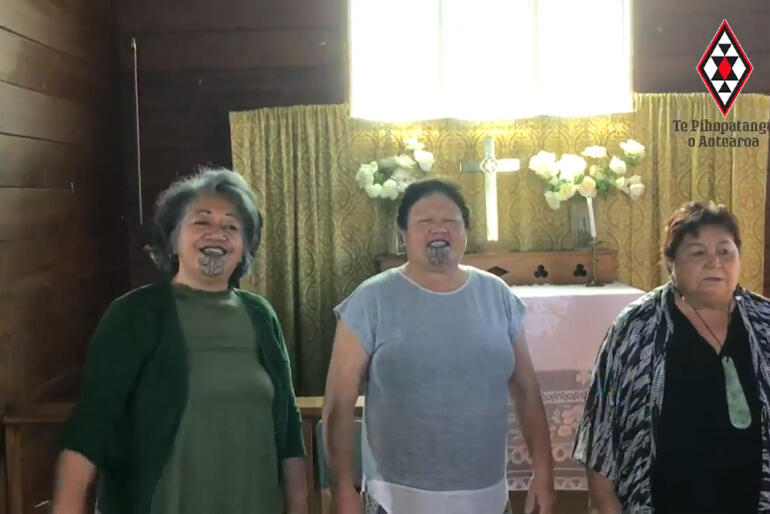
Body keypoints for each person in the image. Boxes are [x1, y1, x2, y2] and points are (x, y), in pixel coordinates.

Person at [52, 168, 307, 514]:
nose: (217, 234)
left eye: (231, 227)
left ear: (245, 246)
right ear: (173, 238)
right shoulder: (135, 314)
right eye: (202, 222)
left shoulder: (261, 315)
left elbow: (289, 428)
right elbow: (91, 427)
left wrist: (298, 506)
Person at [322, 178, 555, 514]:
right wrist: (343, 487)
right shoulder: (371, 299)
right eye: (424, 222)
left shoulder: (497, 295)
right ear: (403, 233)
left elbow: (526, 390)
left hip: (485, 493)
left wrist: (544, 470)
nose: (438, 230)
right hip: (397, 497)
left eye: (450, 221)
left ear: (465, 230)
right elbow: (339, 404)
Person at [573, 201, 770, 514]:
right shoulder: (636, 327)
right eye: (697, 252)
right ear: (670, 262)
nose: (713, 263)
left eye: (724, 251)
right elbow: (601, 436)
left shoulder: (764, 324)